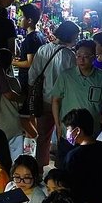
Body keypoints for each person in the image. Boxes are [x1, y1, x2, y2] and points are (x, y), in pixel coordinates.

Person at [50, 40, 102, 152]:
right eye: (78, 56)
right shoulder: (66, 76)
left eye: (86, 56)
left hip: (92, 134)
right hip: (68, 132)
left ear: (94, 57)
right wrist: (58, 125)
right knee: (67, 165)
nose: (81, 59)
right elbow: (55, 100)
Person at [29, 21, 79, 167]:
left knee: (43, 137)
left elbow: (32, 76)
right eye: (75, 37)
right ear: (69, 36)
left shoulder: (43, 50)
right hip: (63, 103)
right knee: (64, 136)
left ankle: (39, 169)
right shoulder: (69, 56)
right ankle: (61, 166)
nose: (76, 40)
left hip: (44, 100)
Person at [63, 108, 102, 203]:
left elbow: (68, 185)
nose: (67, 132)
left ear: (77, 130)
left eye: (68, 129)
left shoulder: (73, 156)